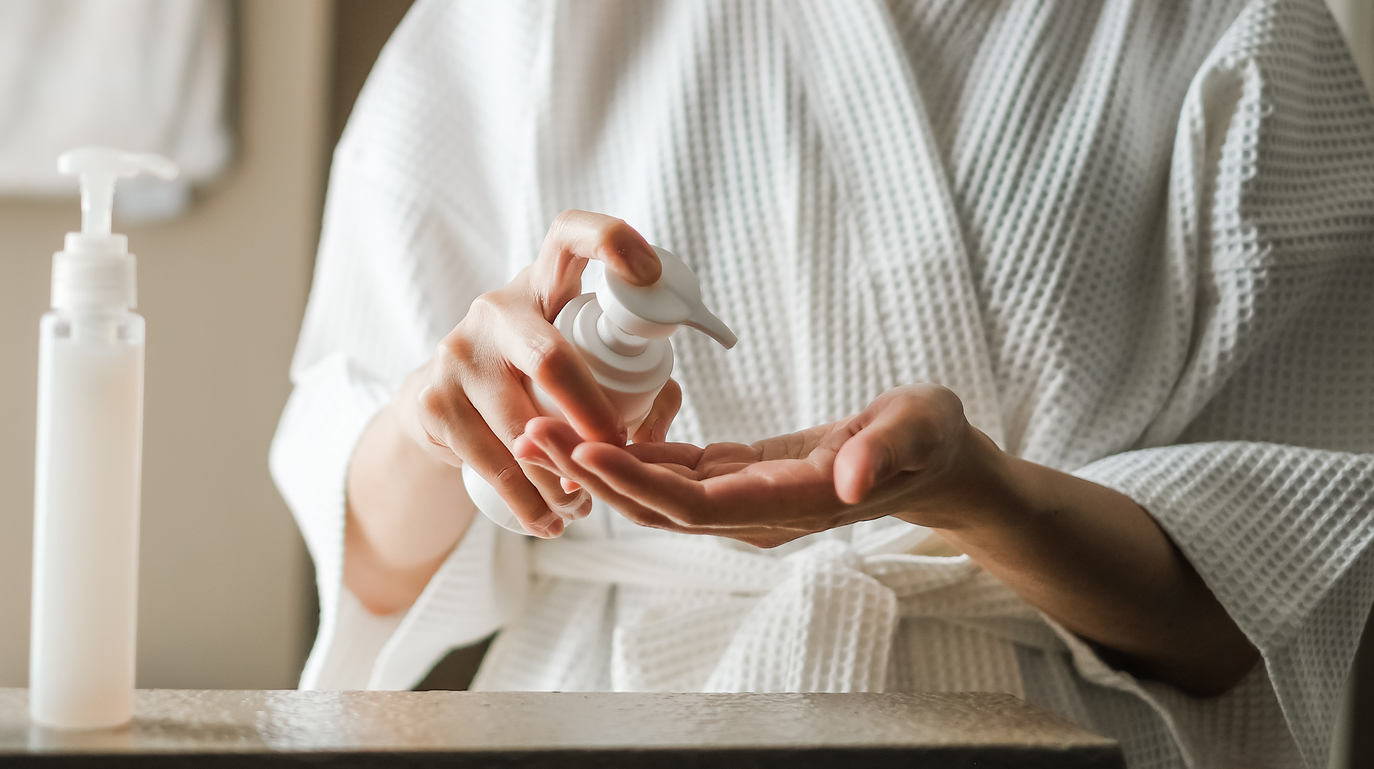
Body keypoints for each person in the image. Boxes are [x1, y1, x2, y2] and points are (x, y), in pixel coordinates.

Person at [270, 2, 1374, 767]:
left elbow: (1256, 594)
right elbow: (367, 562)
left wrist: (974, 495)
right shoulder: (515, 19)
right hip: (604, 707)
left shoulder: (1244, 26)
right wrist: (439, 425)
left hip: (1049, 733)